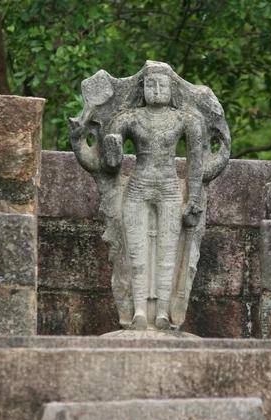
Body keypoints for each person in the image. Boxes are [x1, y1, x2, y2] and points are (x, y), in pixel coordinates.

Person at [102, 67, 205, 330]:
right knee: (135, 254)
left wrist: (193, 198)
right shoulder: (130, 118)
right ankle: (138, 310)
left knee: (168, 253)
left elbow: (197, 164)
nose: (157, 90)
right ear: (142, 89)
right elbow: (111, 164)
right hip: (137, 186)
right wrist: (113, 147)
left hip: (170, 188)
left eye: (162, 85)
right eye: (151, 85)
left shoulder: (185, 120)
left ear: (172, 89)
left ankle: (162, 312)